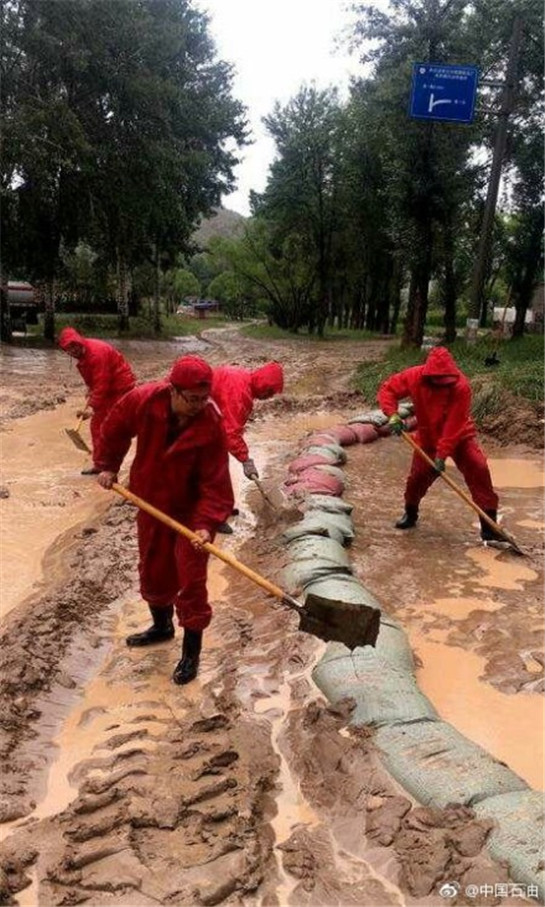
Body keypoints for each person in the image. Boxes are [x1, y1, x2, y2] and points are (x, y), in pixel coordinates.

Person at [95, 355, 234, 685]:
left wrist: (206, 523)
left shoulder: (211, 423)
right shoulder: (144, 400)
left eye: (205, 398)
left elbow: (215, 482)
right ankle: (161, 626)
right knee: (154, 567)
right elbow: (115, 428)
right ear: (173, 390)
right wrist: (108, 465)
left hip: (190, 514)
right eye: (194, 398)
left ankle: (191, 654)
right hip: (150, 500)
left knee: (191, 579)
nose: (201, 404)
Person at [377, 346, 503, 541]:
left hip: (459, 436)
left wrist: (442, 455)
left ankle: (489, 525)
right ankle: (410, 512)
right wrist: (392, 415)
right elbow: (388, 389)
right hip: (427, 437)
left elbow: (454, 425)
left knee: (478, 467)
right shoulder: (414, 377)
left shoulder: (461, 386)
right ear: (429, 375)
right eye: (439, 381)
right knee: (417, 478)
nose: (443, 385)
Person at [211, 362, 284, 532]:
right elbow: (230, 433)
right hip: (198, 421)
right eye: (270, 392)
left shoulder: (243, 380)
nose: (269, 397)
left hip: (211, 423)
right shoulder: (240, 392)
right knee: (209, 471)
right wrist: (245, 460)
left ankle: (222, 508)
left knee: (219, 465)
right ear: (264, 385)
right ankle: (212, 517)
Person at [59, 327, 136, 474]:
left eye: (74, 345)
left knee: (109, 427)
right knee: (98, 427)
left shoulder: (96, 354)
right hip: (110, 388)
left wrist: (91, 407)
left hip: (120, 389)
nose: (72, 350)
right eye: (68, 349)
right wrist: (90, 390)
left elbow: (102, 383)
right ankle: (101, 464)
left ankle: (107, 466)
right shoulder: (84, 355)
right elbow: (95, 380)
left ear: (79, 341)